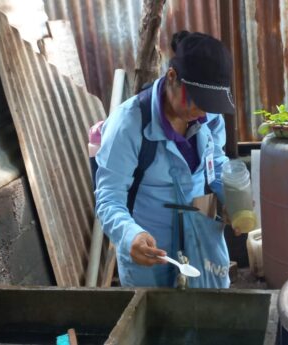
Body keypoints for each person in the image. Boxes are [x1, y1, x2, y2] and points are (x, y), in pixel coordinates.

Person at [95, 31, 236, 287]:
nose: (203, 112)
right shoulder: (128, 124)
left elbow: (216, 164)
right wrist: (130, 236)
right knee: (157, 319)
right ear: (172, 77)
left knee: (212, 311)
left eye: (210, 104)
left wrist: (234, 199)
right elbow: (109, 198)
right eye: (197, 102)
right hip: (151, 249)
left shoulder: (209, 115)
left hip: (200, 237)